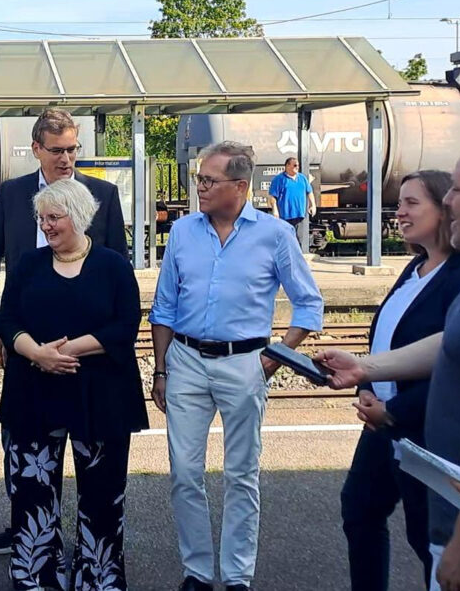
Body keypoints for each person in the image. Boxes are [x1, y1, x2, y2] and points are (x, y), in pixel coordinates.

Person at [148, 142, 324, 591]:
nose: (200, 188)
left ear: (240, 186)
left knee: (241, 474)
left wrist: (272, 358)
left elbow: (308, 305)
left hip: (246, 363)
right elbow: (163, 307)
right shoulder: (184, 232)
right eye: (199, 179)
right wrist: (162, 370)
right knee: (185, 473)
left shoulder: (275, 234)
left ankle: (238, 576)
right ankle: (198, 572)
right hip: (185, 361)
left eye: (209, 180)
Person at [315, 149, 460, 591]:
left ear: (442, 208)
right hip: (382, 422)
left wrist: (394, 409)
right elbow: (431, 348)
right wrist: (364, 374)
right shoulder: (413, 268)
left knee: (425, 536)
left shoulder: (459, 278)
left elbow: (450, 370)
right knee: (360, 509)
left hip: (417, 430)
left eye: (412, 203)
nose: (399, 211)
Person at [0, 108, 127, 555]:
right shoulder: (11, 194)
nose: (67, 158)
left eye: (73, 149)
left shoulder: (101, 194)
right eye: (58, 150)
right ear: (37, 149)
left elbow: (117, 266)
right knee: (26, 450)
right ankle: (26, 528)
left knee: (92, 456)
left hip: (90, 357)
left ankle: (91, 551)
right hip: (26, 346)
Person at [0, 178, 148, 590]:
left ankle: (97, 578)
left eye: (54, 217)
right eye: (41, 218)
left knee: (101, 497)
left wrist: (68, 351)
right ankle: (36, 577)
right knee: (31, 493)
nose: (45, 226)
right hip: (34, 390)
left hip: (100, 396)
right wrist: (37, 353)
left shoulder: (112, 265)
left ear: (78, 217)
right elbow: (6, 319)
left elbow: (124, 325)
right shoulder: (28, 264)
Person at [267, 157, 316, 245]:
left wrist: (313, 205)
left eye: (298, 165)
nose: (297, 167)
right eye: (295, 165)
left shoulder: (302, 178)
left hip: (300, 215)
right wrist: (275, 210)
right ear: (287, 166)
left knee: (299, 241)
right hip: (285, 215)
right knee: (286, 240)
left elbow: (310, 192)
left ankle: (298, 257)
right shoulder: (279, 179)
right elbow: (272, 196)